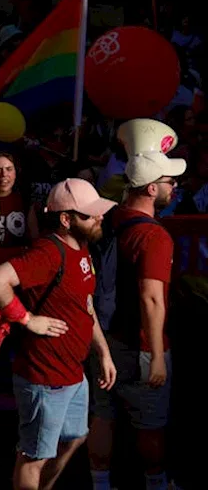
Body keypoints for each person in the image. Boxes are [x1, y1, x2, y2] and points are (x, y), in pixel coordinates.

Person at [0, 179, 118, 490]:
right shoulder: (48, 253)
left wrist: (103, 352)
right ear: (66, 219)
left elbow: (86, 306)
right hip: (45, 376)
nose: (99, 218)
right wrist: (27, 319)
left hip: (72, 373)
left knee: (75, 437)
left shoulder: (81, 250)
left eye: (98, 213)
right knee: (34, 455)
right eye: (90, 215)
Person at [86, 149, 182, 490]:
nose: (175, 187)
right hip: (139, 344)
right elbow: (152, 298)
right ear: (152, 190)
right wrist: (157, 356)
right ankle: (156, 485)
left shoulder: (107, 220)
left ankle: (100, 484)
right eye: (170, 181)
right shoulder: (155, 236)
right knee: (150, 423)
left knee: (103, 414)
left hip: (104, 339)